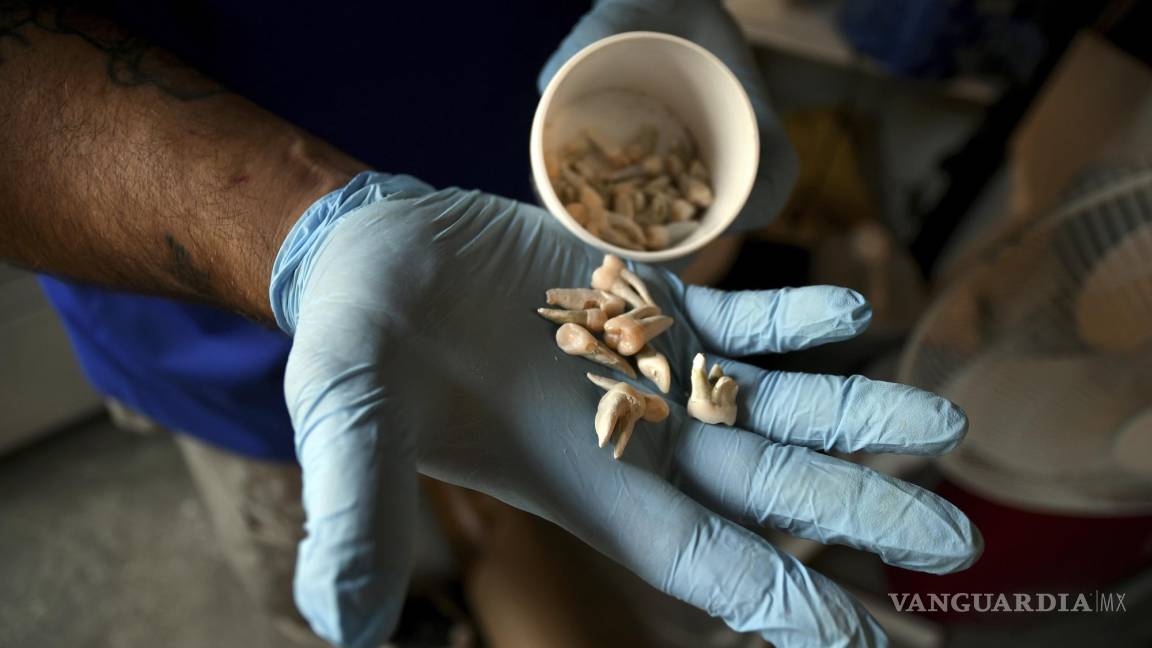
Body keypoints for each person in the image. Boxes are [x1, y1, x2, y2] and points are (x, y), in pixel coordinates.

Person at [0, 2, 983, 647]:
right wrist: (300, 225)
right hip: (214, 297)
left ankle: (492, 551)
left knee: (576, 491)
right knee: (351, 555)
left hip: (545, 197)